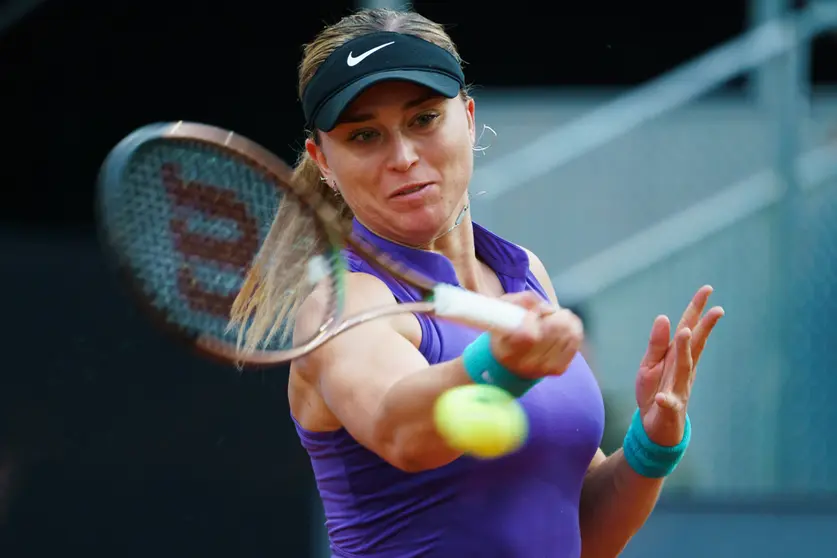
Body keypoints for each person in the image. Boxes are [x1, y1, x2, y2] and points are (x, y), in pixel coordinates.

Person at [230, 8, 724, 557]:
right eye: (365, 135)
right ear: (323, 161)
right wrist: (498, 366)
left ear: (467, 116)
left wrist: (652, 441)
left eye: (424, 120)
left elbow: (585, 535)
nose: (404, 157)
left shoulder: (524, 274)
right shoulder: (342, 306)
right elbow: (401, 431)